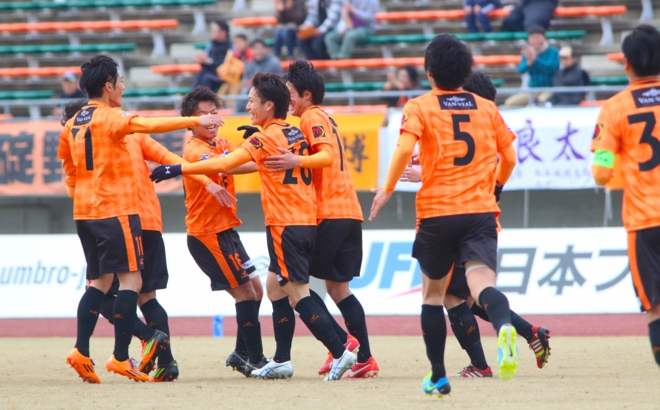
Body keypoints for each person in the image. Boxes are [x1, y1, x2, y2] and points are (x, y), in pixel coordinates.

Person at [150, 73, 357, 381]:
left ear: (268, 105)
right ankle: (281, 359)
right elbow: (247, 162)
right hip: (305, 220)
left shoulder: (262, 138)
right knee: (273, 289)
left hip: (284, 224)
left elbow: (224, 164)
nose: (247, 106)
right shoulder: (294, 132)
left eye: (251, 101)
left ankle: (340, 351)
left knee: (297, 294)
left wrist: (177, 168)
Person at [58, 55, 223, 383]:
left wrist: (83, 194)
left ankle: (82, 350)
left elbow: (70, 170)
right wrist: (195, 120)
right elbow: (150, 126)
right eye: (120, 81)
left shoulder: (72, 124)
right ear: (108, 86)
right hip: (118, 211)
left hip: (85, 213)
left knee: (99, 282)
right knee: (134, 284)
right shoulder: (115, 120)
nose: (123, 86)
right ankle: (122, 356)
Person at [370, 34, 519, 396]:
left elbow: (403, 149)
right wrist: (495, 187)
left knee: (433, 296)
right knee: (482, 287)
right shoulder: (487, 108)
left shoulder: (419, 106)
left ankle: (438, 375)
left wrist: (387, 189)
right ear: (466, 71)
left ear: (429, 72)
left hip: (438, 213)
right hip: (480, 212)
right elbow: (510, 158)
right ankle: (503, 326)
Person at [402, 71, 551, 378]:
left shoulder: (468, 118)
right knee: (473, 295)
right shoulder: (490, 121)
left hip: (454, 218)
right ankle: (528, 331)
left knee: (452, 297)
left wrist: (424, 172)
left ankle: (481, 365)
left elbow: (455, 169)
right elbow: (497, 159)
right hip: (481, 220)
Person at [258, 60, 379, 379]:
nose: (288, 99)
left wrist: (295, 160)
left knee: (287, 285)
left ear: (306, 95)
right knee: (338, 290)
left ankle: (340, 346)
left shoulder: (311, 117)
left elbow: (325, 156)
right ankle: (363, 357)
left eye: (291, 93)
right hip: (349, 210)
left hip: (328, 212)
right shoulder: (324, 117)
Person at [178, 86, 267, 376]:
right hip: (208, 234)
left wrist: (257, 153)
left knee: (256, 291)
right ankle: (255, 359)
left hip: (226, 230)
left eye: (214, 113)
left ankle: (242, 354)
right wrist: (257, 151)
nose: (211, 119)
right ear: (191, 121)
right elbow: (222, 166)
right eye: (203, 115)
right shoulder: (195, 149)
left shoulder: (221, 142)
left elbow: (236, 163)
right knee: (246, 293)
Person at [590, 24, 660, 371]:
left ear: (626, 63)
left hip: (644, 220)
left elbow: (601, 172)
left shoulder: (614, 108)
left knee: (655, 307)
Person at [504, 26, 559, 107]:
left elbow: (551, 69)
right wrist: (528, 63)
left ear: (544, 37)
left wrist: (535, 59)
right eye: (533, 37)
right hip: (532, 90)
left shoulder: (553, 51)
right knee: (509, 103)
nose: (536, 40)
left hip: (549, 88)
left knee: (537, 104)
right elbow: (520, 70)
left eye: (538, 37)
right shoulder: (528, 52)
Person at [193, 20, 232, 91]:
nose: (212, 32)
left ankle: (204, 97)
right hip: (212, 73)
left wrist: (209, 62)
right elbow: (209, 63)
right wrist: (202, 61)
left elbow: (226, 64)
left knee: (206, 78)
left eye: (214, 30)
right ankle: (193, 95)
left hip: (224, 76)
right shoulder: (211, 46)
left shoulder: (230, 47)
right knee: (201, 73)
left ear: (223, 33)